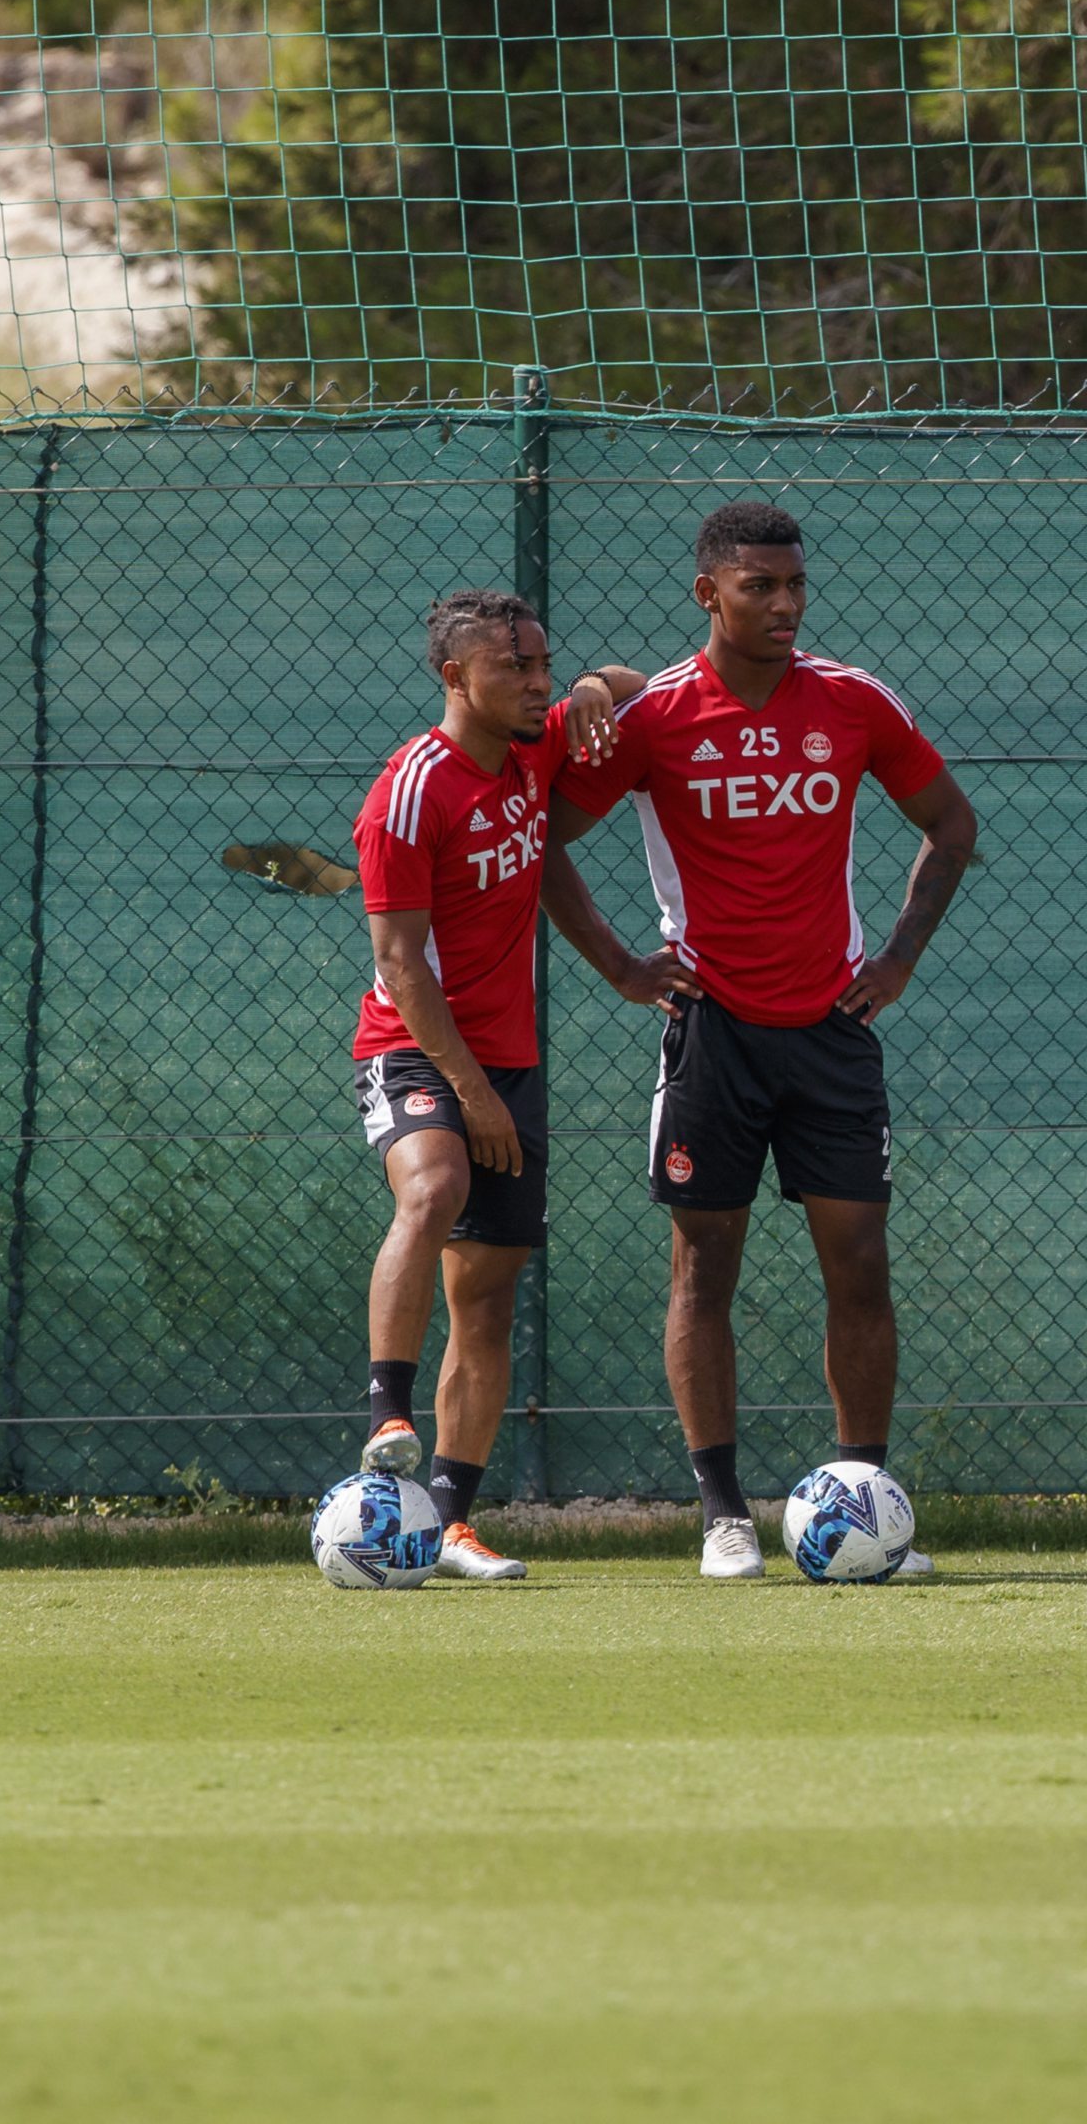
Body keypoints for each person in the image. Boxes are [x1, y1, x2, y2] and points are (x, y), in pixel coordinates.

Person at [543, 501, 978, 1579]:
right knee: (705, 1269)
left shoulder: (852, 701)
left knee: (861, 1268)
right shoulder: (651, 721)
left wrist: (900, 960)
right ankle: (724, 1516)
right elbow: (542, 834)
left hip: (832, 1030)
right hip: (712, 1035)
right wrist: (621, 967)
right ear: (709, 595)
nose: (784, 605)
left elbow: (951, 826)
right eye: (759, 588)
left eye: (794, 587)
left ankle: (865, 1505)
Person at [351, 589, 690, 1579]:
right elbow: (403, 964)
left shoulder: (537, 751)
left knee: (489, 1301)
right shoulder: (410, 791)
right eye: (519, 669)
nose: (538, 684)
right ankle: (387, 1415)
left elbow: (644, 689)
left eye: (546, 665)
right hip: (413, 1045)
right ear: (455, 676)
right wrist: (475, 1091)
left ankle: (445, 1523)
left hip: (511, 1061)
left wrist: (591, 687)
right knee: (434, 1187)